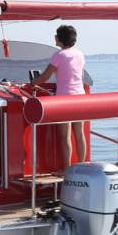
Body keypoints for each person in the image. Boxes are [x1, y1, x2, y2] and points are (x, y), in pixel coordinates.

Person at [30, 25, 86, 170]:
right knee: (79, 133)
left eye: (56, 35)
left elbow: (45, 76)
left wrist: (32, 83)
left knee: (65, 135)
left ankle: (67, 169)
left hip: (65, 99)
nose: (54, 37)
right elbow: (79, 75)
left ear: (60, 38)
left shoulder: (59, 55)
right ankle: (82, 166)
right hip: (80, 97)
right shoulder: (79, 54)